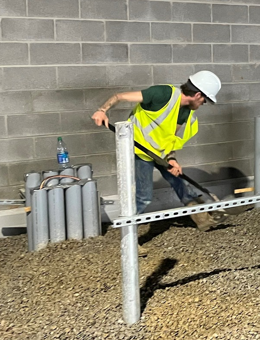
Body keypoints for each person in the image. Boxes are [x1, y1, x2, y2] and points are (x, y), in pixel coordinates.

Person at [91, 71, 221, 228]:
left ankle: (203, 219)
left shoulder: (185, 110)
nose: (203, 104)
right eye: (205, 101)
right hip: (140, 151)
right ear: (198, 95)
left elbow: (170, 137)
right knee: (144, 197)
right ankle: (129, 235)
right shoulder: (162, 94)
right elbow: (120, 96)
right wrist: (102, 110)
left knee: (179, 181)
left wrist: (172, 159)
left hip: (160, 152)